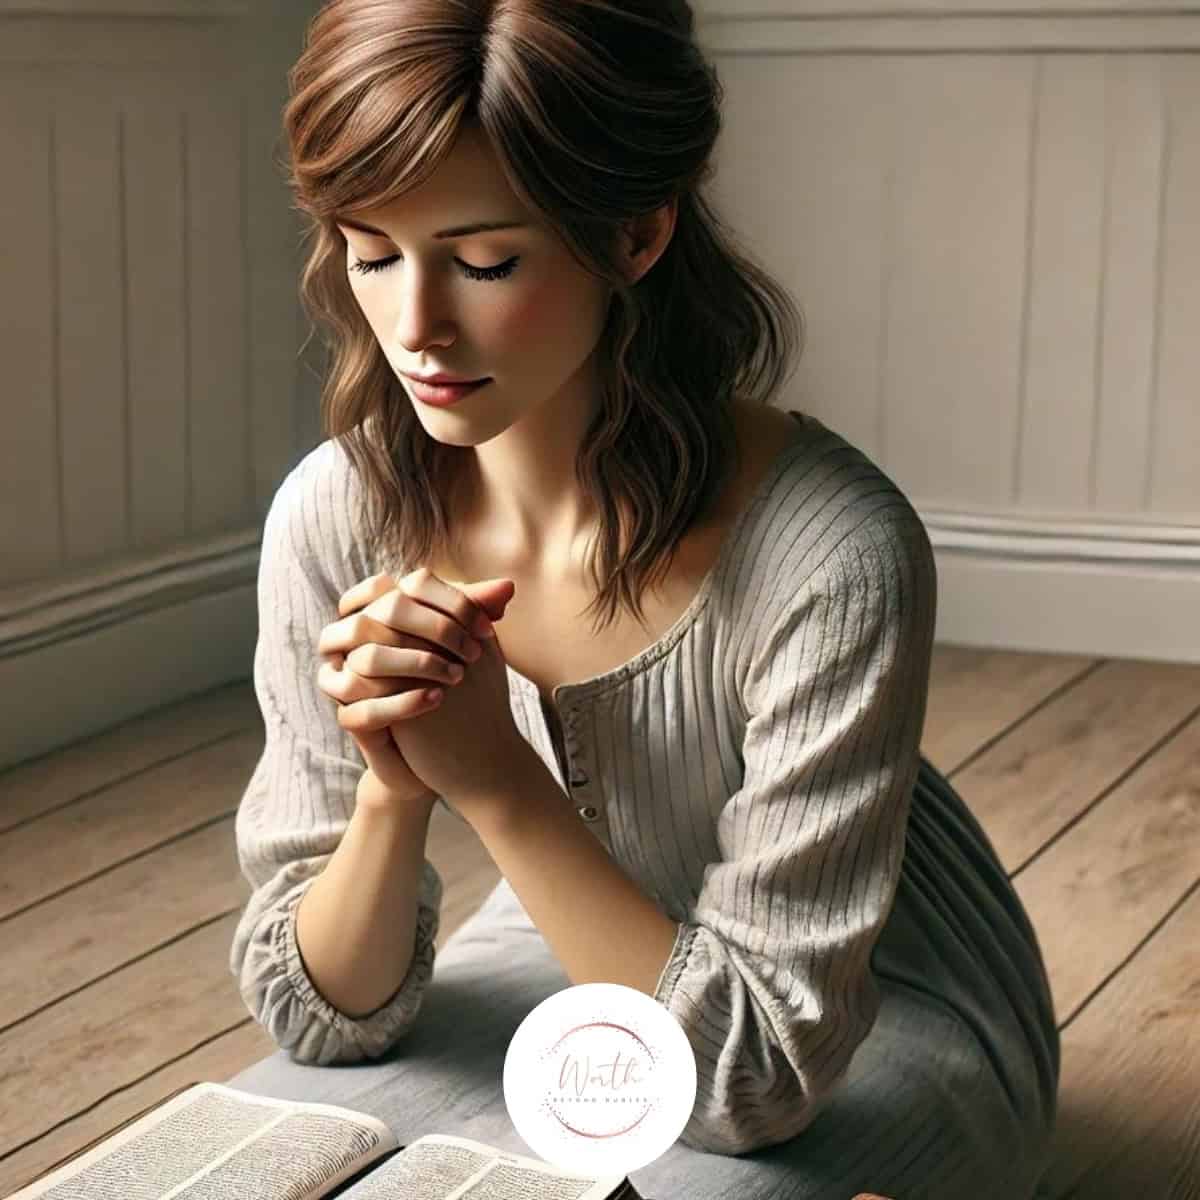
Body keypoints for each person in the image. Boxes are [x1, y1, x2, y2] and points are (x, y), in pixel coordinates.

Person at [226, 2, 1061, 1197]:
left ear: (633, 235)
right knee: (279, 1137)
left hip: (869, 1007)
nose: (415, 326)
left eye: (483, 262)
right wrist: (393, 792)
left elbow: (756, 1079)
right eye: (370, 253)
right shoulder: (337, 512)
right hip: (562, 943)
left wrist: (499, 782)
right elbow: (320, 1018)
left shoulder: (830, 546)